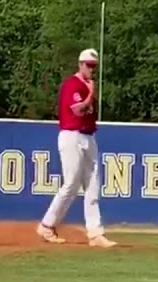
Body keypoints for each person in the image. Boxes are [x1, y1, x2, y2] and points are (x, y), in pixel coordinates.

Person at [36, 48, 117, 248]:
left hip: (89, 136)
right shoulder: (73, 84)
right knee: (71, 183)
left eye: (94, 66)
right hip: (72, 135)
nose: (91, 69)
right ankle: (47, 225)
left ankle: (95, 233)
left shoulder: (87, 84)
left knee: (93, 185)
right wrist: (91, 93)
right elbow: (78, 109)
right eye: (88, 65)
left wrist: (90, 93)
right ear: (80, 64)